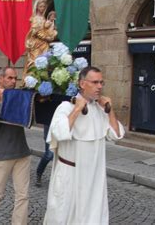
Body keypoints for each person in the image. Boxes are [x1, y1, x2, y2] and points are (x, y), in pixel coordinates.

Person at [43, 66, 125, 224]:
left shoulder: (100, 110)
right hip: (71, 176)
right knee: (64, 216)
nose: (100, 86)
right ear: (82, 83)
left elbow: (116, 135)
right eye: (95, 82)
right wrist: (78, 109)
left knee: (93, 217)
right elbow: (58, 133)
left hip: (94, 178)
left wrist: (110, 110)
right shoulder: (66, 107)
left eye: (101, 82)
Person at [0, 67, 31, 225]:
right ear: (0, 79)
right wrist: (2, 103)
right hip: (1, 154)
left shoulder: (18, 97)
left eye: (15, 78)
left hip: (22, 152)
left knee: (23, 195)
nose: (13, 81)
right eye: (9, 78)